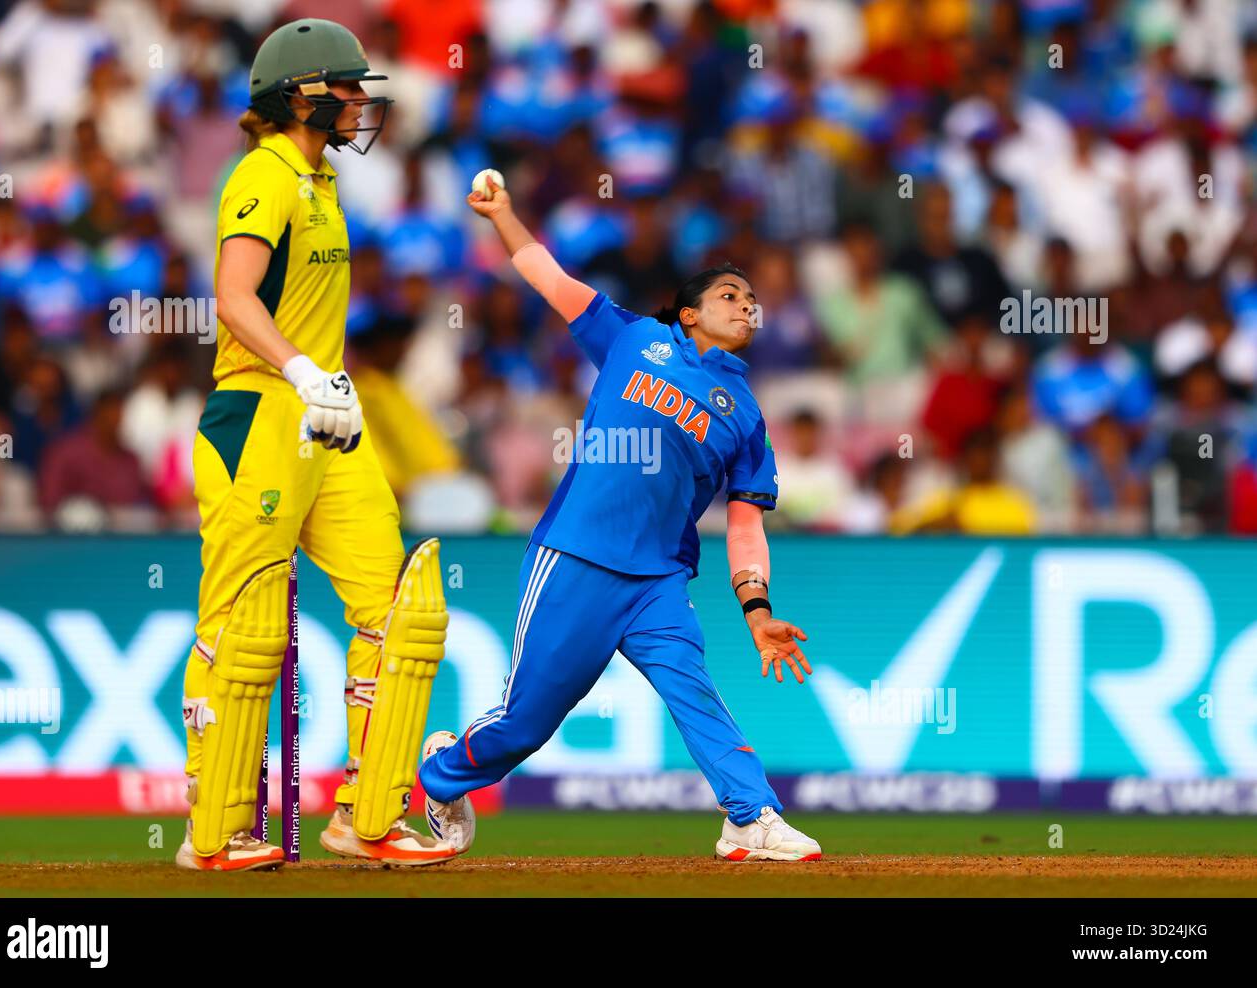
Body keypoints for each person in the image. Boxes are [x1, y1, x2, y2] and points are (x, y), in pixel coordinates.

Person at [418, 175, 822, 863]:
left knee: (693, 689)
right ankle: (441, 774)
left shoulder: (749, 416)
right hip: (576, 556)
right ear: (689, 314)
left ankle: (750, 816)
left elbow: (747, 522)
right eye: (730, 294)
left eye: (753, 299)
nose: (746, 304)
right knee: (526, 724)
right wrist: (505, 215)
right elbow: (547, 277)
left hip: (658, 580)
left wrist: (757, 609)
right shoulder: (635, 338)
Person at [176, 19, 454, 872]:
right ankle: (213, 830)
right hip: (260, 414)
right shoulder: (262, 176)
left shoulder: (322, 177)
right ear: (301, 94)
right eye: (347, 87)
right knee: (242, 626)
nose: (362, 103)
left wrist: (324, 384)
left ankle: (367, 815)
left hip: (327, 416)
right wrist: (303, 373)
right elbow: (232, 295)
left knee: (401, 612)